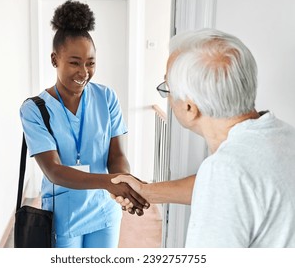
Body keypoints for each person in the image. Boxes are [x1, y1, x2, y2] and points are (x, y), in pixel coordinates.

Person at [112, 28, 295, 248]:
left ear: (190, 108)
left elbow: (226, 183)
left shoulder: (225, 170)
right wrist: (146, 191)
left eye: (167, 88)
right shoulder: (282, 136)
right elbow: (236, 190)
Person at [20, 0, 148, 248]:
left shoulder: (106, 97)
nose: (84, 72)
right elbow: (53, 171)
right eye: (75, 62)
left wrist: (124, 181)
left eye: (90, 62)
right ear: (55, 59)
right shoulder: (34, 109)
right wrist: (110, 182)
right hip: (63, 218)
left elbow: (116, 155)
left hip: (105, 211)